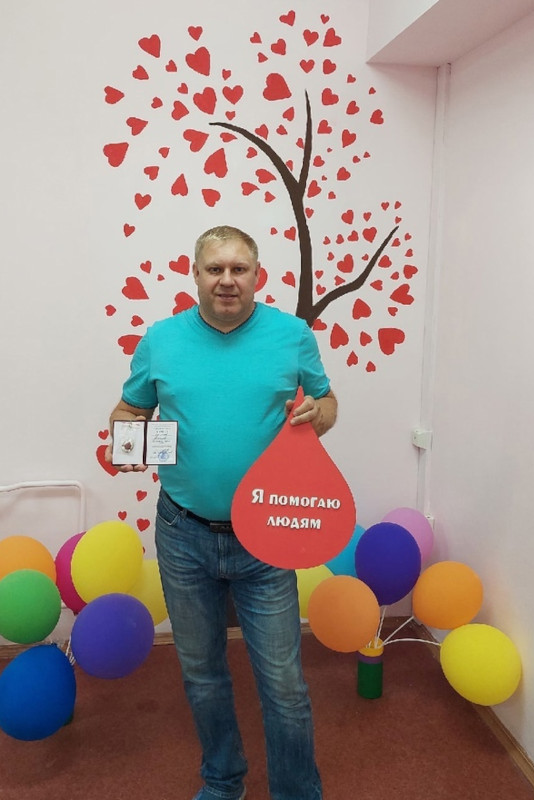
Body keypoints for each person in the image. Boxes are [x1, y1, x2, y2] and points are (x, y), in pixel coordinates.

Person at [107, 225, 337, 800]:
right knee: (202, 673)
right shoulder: (161, 340)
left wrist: (319, 414)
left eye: (239, 269)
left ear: (258, 275)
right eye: (215, 269)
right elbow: (129, 410)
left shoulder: (292, 336)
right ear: (196, 275)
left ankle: (297, 792)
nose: (227, 280)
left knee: (283, 683)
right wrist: (128, 440)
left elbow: (328, 402)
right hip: (183, 532)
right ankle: (223, 780)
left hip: (267, 534)